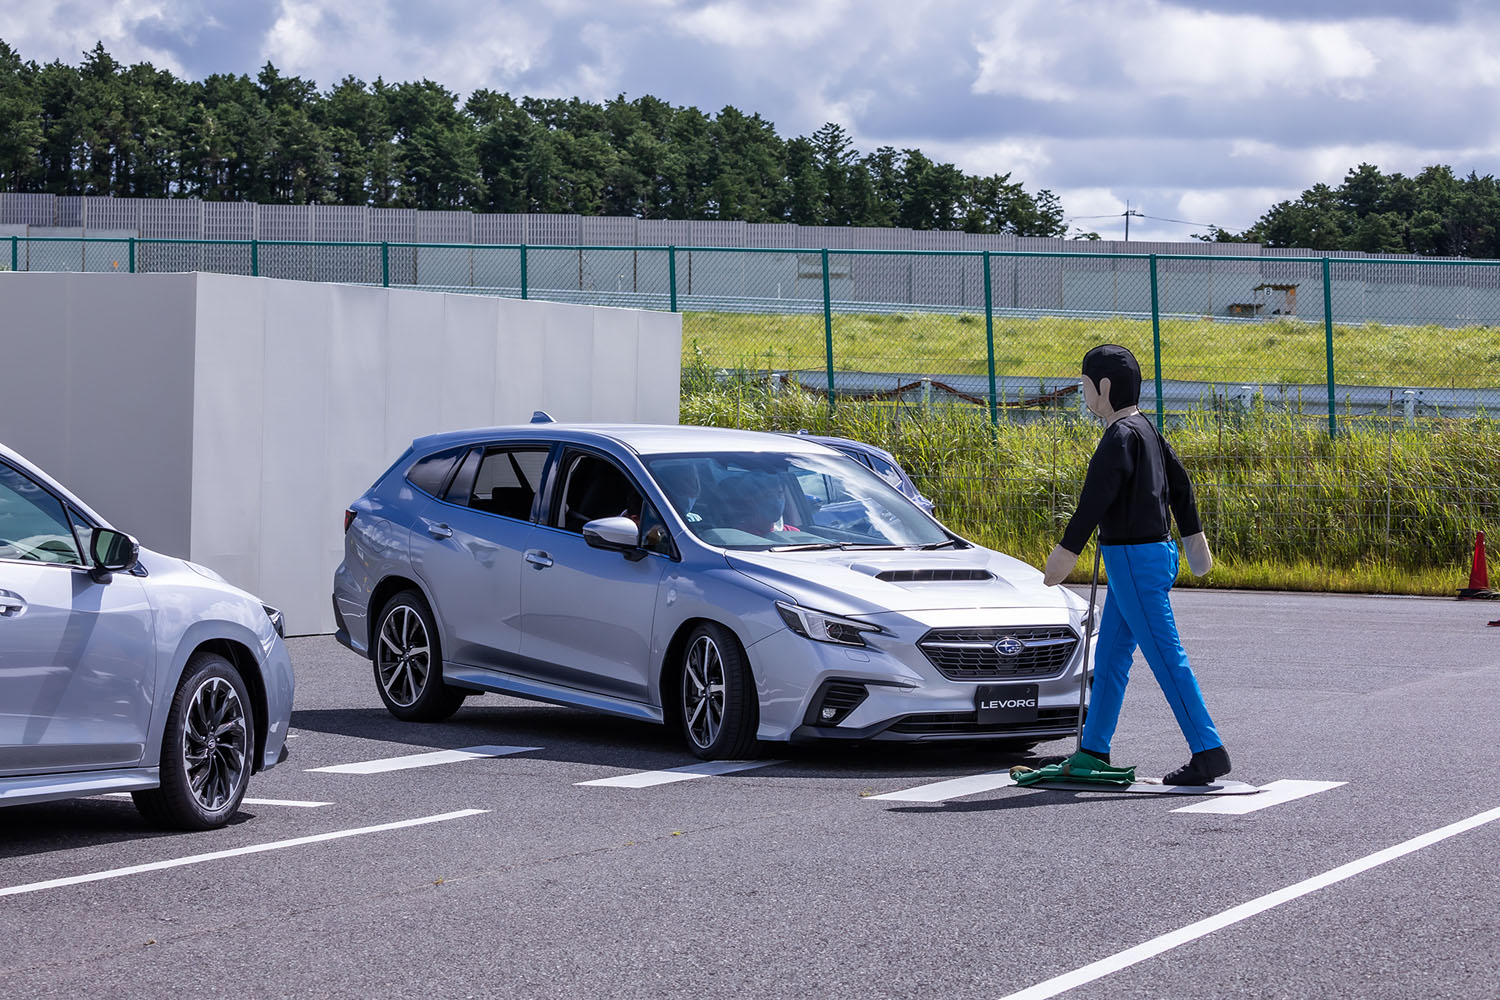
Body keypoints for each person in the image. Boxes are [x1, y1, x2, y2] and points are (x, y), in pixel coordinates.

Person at [1042, 344, 1230, 785]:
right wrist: (1194, 542)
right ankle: (1093, 748)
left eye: (1086, 387)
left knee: (1166, 658)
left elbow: (1093, 502)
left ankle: (1208, 751)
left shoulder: (1118, 438)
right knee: (1109, 659)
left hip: (1132, 559)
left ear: (1103, 388)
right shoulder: (1146, 429)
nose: (1085, 395)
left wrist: (1065, 552)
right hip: (1149, 555)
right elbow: (1182, 487)